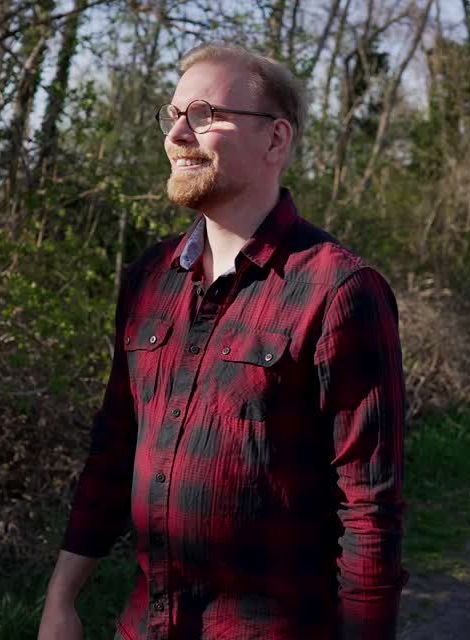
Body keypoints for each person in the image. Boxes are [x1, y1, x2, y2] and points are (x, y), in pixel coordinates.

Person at [37, 44, 407, 640]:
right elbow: (112, 449)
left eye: (204, 114)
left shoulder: (339, 291)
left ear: (275, 140)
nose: (177, 133)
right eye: (173, 114)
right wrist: (62, 598)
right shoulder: (150, 279)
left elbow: (370, 511)